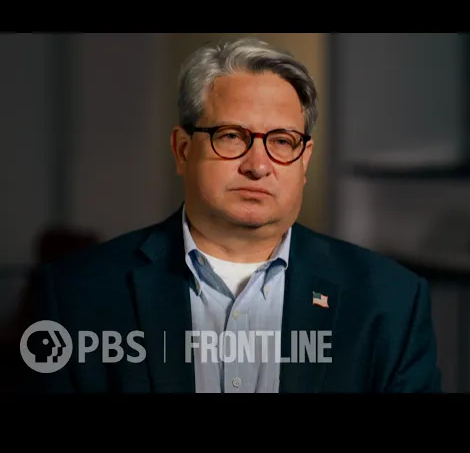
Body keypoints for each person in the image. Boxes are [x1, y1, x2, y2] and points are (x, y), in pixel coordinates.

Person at [23, 37, 442, 393]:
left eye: (282, 141)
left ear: (304, 160)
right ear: (182, 150)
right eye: (230, 136)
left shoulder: (390, 302)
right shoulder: (78, 295)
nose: (257, 165)